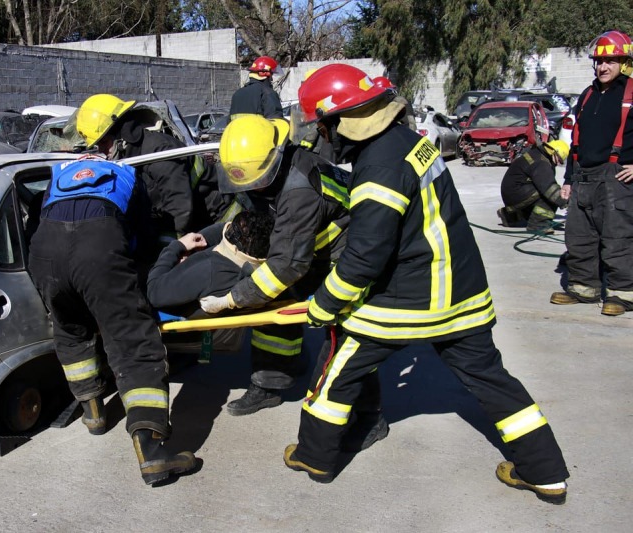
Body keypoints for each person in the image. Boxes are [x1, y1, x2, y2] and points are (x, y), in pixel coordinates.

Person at [282, 63, 569, 505]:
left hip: (408, 297)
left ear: (341, 120)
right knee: (492, 380)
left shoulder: (376, 166)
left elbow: (365, 257)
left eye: (322, 126)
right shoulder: (411, 142)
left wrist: (324, 304)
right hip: (462, 291)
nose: (322, 136)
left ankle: (314, 456)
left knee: (337, 370)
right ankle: (545, 472)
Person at [26, 154, 197, 486]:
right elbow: (143, 238)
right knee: (133, 343)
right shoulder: (128, 174)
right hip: (97, 252)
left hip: (44, 256)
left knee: (70, 327)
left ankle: (93, 414)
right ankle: (153, 454)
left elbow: (39, 217)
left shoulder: (59, 171)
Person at [198, 114, 351, 416]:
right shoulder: (261, 168)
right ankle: (274, 380)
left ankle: (346, 406)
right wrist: (208, 241)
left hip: (340, 254)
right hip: (304, 246)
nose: (253, 188)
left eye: (257, 183)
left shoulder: (299, 190)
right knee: (276, 307)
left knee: (336, 330)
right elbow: (244, 214)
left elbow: (288, 265)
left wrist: (233, 299)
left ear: (276, 158)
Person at [550, 30, 633, 317]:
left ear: (623, 61)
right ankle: (583, 288)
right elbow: (576, 142)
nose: (603, 67)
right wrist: (569, 180)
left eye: (610, 60)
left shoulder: (631, 92)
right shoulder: (587, 95)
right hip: (584, 177)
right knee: (579, 236)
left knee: (617, 238)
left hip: (616, 178)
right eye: (599, 61)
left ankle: (622, 294)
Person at [69, 93, 227, 243]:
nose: (101, 151)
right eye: (97, 145)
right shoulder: (131, 157)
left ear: (120, 136)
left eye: (103, 142)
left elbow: (178, 205)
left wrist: (169, 250)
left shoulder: (159, 150)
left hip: (217, 218)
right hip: (192, 221)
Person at [147, 210, 274, 316]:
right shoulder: (261, 265)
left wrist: (177, 246)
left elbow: (154, 293)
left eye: (235, 231)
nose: (229, 228)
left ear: (237, 246)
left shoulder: (209, 270)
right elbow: (223, 230)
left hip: (152, 307)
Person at [497, 140, 570, 233]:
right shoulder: (541, 162)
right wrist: (565, 201)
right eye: (559, 160)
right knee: (550, 197)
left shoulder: (537, 155)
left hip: (512, 192)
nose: (557, 163)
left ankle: (510, 216)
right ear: (554, 152)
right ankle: (538, 225)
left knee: (536, 207)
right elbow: (549, 188)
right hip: (517, 192)